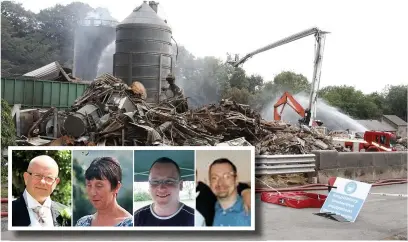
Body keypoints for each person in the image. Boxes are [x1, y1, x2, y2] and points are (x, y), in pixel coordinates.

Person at [12, 155, 71, 227]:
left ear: (56, 182)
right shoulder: (10, 210)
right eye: (37, 175)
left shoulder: (67, 214)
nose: (42, 182)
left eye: (49, 178)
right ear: (26, 178)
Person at [134, 157, 194, 226]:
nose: (161, 188)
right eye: (155, 181)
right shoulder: (137, 218)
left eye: (169, 181)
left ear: (180, 185)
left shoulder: (194, 219)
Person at [75, 157, 133, 227]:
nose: (93, 193)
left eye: (99, 186)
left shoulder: (129, 224)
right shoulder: (82, 223)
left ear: (116, 187)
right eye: (89, 185)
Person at [209, 158, 251, 227]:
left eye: (227, 176)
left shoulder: (251, 209)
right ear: (210, 183)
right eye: (214, 178)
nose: (220, 183)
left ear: (236, 180)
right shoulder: (208, 210)